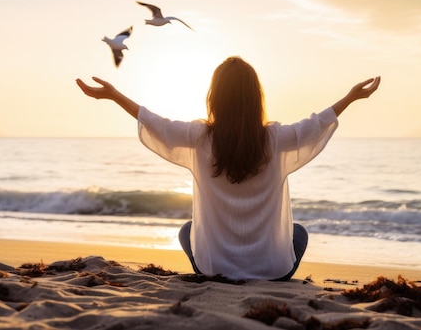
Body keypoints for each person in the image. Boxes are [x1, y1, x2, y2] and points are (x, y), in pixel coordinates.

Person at [76, 56, 380, 280]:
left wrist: (114, 95)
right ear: (255, 99)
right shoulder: (275, 139)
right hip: (273, 272)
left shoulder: (199, 138)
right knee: (298, 233)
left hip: (214, 272)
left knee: (186, 231)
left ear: (215, 98)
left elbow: (155, 123)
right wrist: (351, 97)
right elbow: (316, 124)